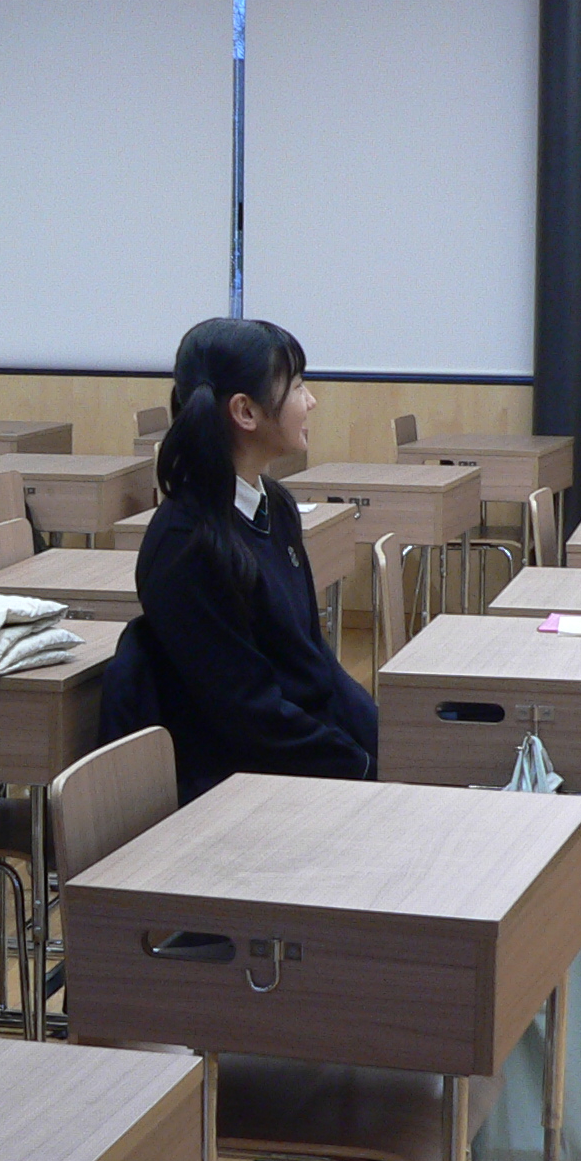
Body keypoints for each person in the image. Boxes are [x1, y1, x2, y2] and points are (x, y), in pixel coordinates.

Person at [134, 316, 378, 802]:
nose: (311, 401)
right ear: (245, 412)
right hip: (245, 789)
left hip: (306, 758)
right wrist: (362, 767)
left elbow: (314, 659)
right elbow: (249, 715)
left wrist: (386, 743)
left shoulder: (276, 506)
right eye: (298, 386)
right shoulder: (186, 544)